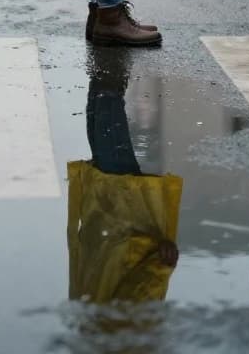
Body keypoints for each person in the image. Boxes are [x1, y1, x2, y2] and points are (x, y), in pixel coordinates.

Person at [67, 48, 181, 309]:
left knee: (106, 107)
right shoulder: (92, 323)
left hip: (122, 224)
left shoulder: (115, 331)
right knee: (102, 109)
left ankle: (110, 46)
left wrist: (160, 267)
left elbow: (135, 300)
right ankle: (107, 47)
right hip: (109, 221)